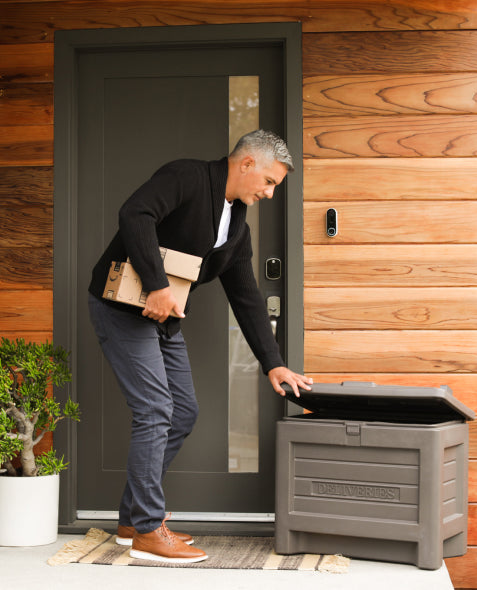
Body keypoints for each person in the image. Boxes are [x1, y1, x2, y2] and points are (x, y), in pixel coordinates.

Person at [87, 129, 313, 564]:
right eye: (268, 181)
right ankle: (150, 532)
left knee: (183, 411)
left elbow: (245, 295)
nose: (269, 193)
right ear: (246, 163)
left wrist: (274, 364)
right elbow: (135, 213)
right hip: (120, 308)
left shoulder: (236, 226)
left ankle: (133, 519)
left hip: (164, 319)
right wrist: (155, 285)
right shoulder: (187, 177)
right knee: (154, 409)